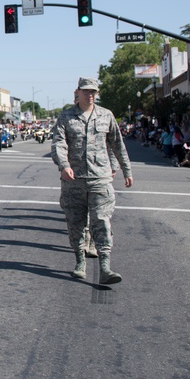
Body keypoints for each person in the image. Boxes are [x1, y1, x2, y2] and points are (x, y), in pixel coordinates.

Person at [51, 77, 133, 285]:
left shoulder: (106, 116)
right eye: (86, 91)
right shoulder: (66, 117)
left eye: (93, 92)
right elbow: (59, 144)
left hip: (100, 178)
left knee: (102, 221)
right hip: (74, 180)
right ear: (77, 92)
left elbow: (117, 144)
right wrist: (64, 165)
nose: (90, 95)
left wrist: (126, 170)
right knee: (76, 223)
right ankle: (80, 262)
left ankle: (105, 266)